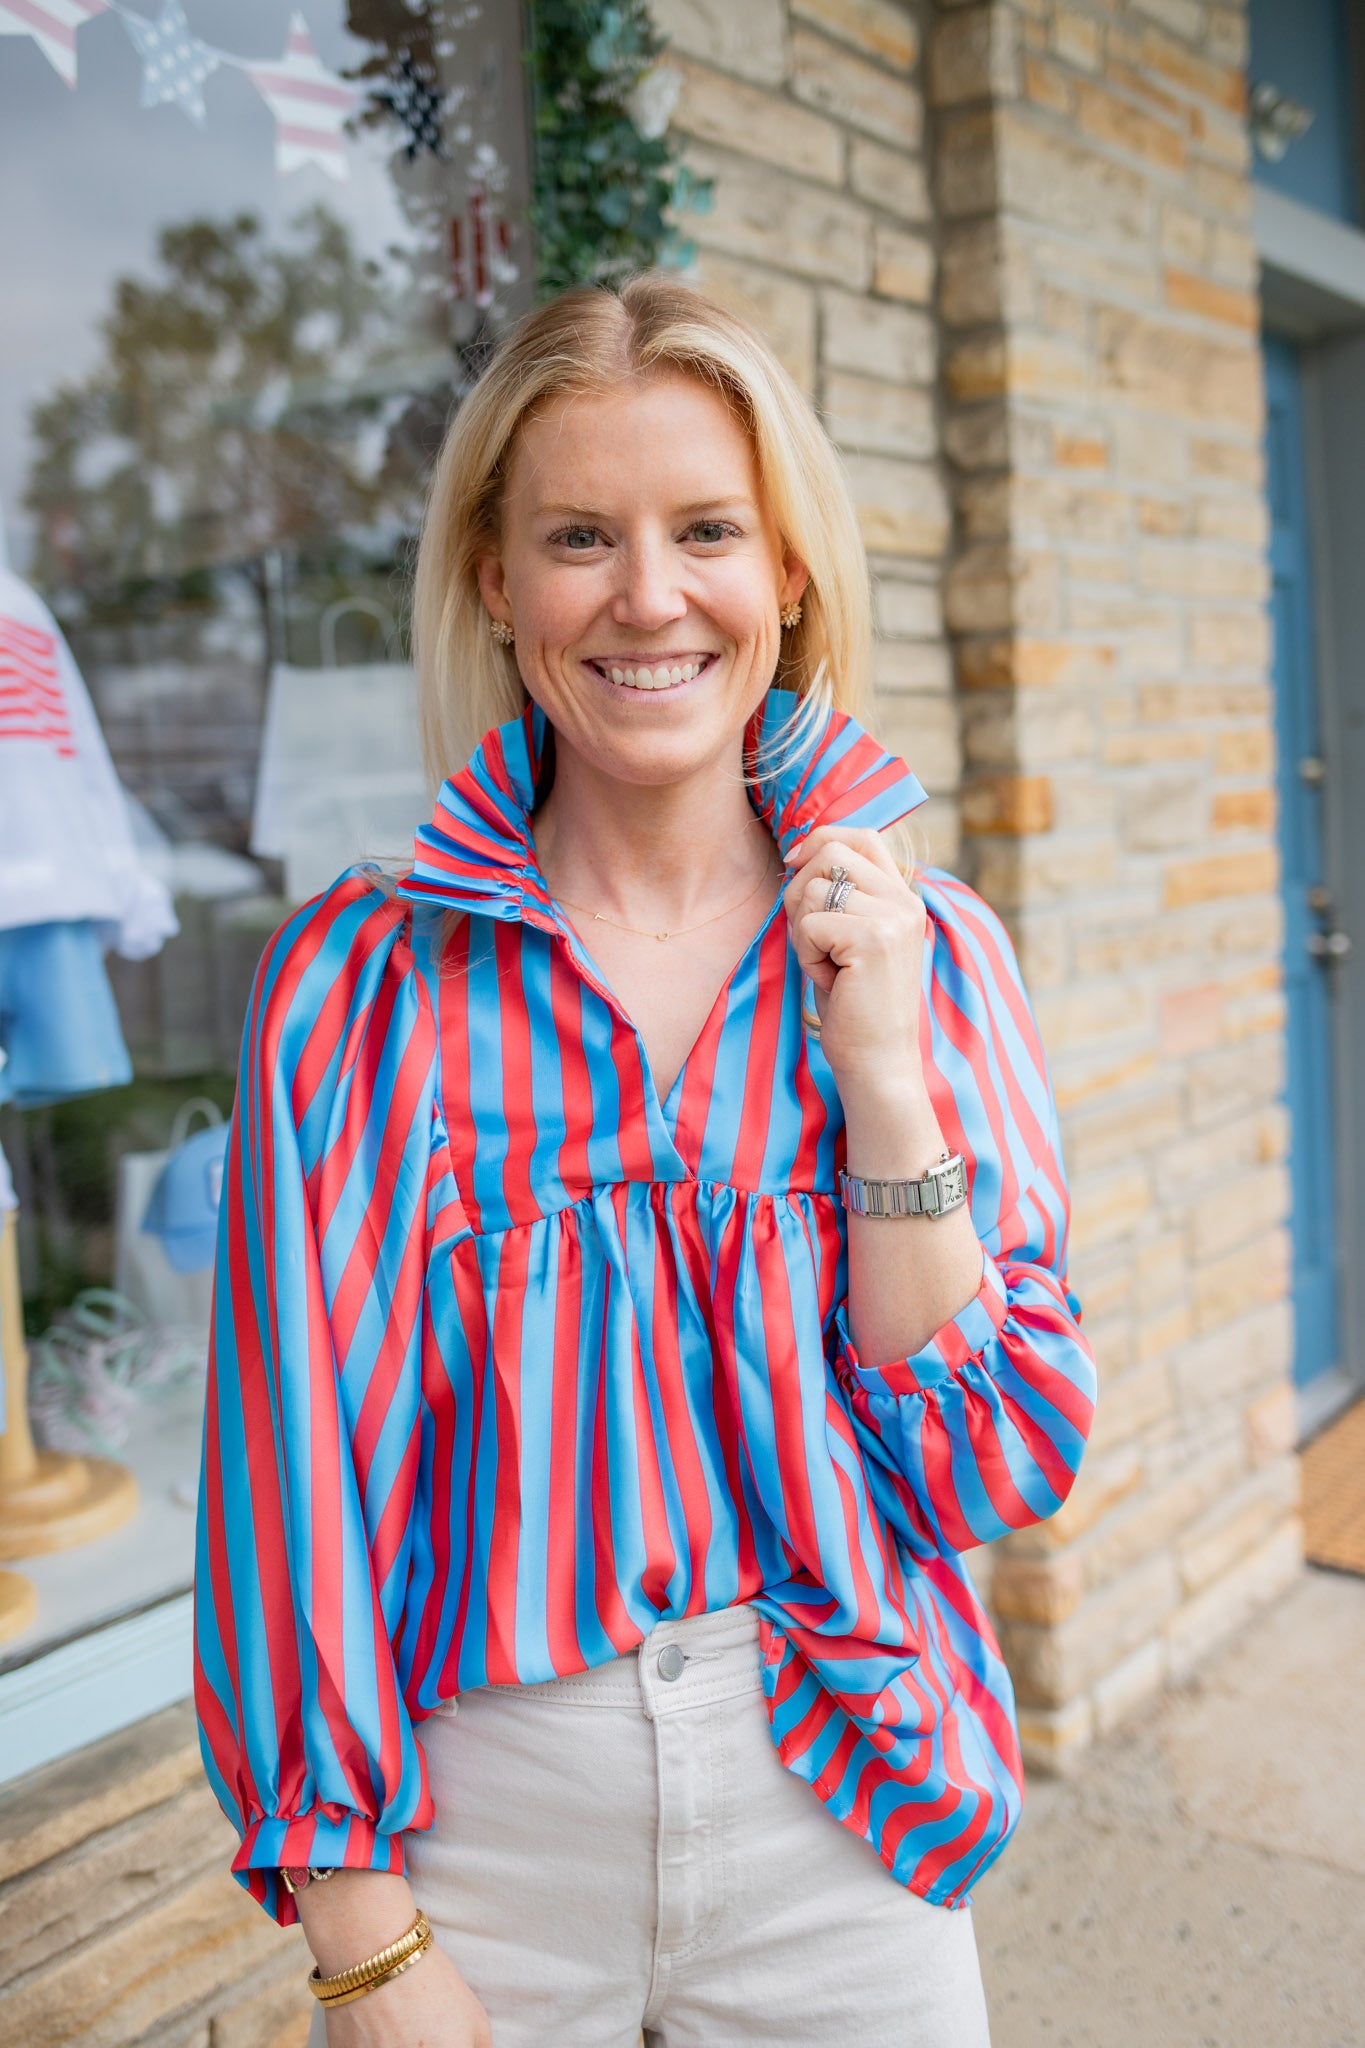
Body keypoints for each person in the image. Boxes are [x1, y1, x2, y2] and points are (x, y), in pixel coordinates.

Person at [196, 276, 1096, 2047]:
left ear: (787, 577)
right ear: (495, 583)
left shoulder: (933, 956)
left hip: (847, 1809)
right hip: (479, 1843)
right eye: (578, 538)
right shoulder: (357, 986)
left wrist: (885, 1086)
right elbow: (287, 1498)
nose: (647, 596)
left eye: (705, 532)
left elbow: (1002, 1465)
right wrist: (365, 1946)